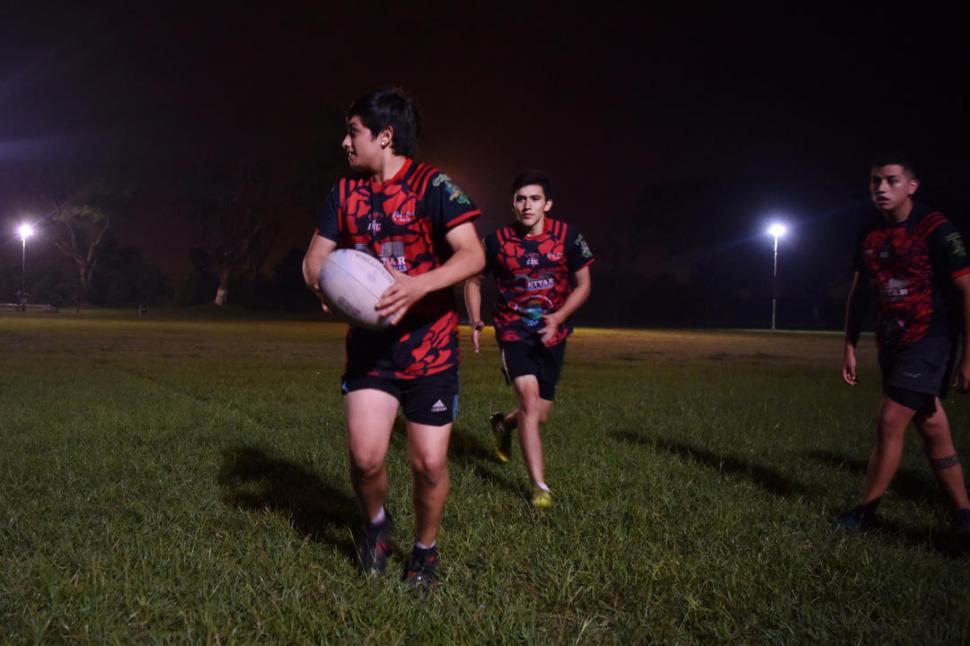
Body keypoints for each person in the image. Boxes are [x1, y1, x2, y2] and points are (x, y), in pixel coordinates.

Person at [302, 88, 484, 588]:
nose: (344, 142)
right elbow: (314, 256)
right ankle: (378, 526)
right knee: (364, 459)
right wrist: (322, 283)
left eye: (353, 131)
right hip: (371, 351)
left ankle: (425, 549)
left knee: (428, 464)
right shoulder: (344, 194)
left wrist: (418, 285)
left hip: (430, 350)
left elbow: (472, 255)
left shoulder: (434, 186)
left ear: (384, 137)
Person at [838, 153, 970, 534]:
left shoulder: (936, 229)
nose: (881, 187)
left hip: (931, 338)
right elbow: (860, 293)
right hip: (892, 340)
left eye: (892, 180)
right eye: (875, 180)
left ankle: (866, 513)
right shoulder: (868, 232)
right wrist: (849, 344)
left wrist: (967, 356)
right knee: (932, 425)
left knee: (890, 418)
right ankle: (963, 513)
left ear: (912, 186)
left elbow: (966, 290)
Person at [464, 170, 593, 509]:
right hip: (512, 330)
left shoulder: (568, 237)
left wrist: (559, 317)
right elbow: (473, 280)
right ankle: (539, 486)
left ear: (547, 204)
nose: (527, 205)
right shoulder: (496, 241)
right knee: (530, 402)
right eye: (520, 198)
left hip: (554, 332)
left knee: (539, 413)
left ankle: (503, 425)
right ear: (513, 204)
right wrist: (476, 319)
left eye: (535, 198)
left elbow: (584, 285)